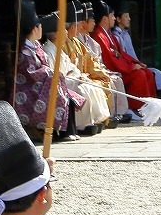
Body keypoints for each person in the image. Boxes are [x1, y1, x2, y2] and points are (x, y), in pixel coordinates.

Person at [12, 0, 82, 141]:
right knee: (59, 93)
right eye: (39, 26)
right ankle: (60, 131)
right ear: (34, 29)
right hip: (29, 88)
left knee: (67, 96)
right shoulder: (25, 50)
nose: (41, 29)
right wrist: (50, 72)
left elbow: (43, 66)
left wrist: (51, 72)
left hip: (42, 84)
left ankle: (68, 130)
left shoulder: (36, 45)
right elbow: (31, 72)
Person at [42, 7, 110, 136]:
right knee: (85, 89)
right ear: (56, 34)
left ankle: (94, 121)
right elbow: (53, 76)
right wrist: (75, 79)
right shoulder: (48, 51)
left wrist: (80, 76)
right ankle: (82, 125)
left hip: (70, 80)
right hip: (62, 84)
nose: (66, 32)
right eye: (63, 29)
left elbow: (71, 68)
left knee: (92, 85)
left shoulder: (58, 50)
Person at [91, 0, 156, 116]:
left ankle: (150, 105)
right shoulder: (99, 35)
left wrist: (136, 63)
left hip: (121, 66)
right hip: (113, 69)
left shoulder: (107, 34)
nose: (114, 19)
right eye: (112, 16)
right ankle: (136, 107)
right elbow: (110, 60)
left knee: (147, 72)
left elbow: (121, 54)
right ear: (105, 19)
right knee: (139, 75)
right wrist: (131, 67)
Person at [78, 2, 132, 123]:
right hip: (84, 74)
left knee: (115, 79)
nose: (94, 23)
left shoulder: (92, 41)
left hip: (96, 71)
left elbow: (98, 61)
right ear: (83, 23)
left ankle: (119, 113)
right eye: (91, 21)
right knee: (110, 81)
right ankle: (109, 115)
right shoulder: (84, 39)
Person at [113, 6, 161, 98]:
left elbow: (131, 54)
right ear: (118, 19)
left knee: (155, 73)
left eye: (129, 16)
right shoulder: (116, 36)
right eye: (126, 16)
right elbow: (121, 56)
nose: (129, 19)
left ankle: (153, 99)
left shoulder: (126, 34)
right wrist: (133, 66)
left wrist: (138, 63)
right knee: (145, 73)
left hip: (133, 63)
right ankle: (144, 101)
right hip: (126, 67)